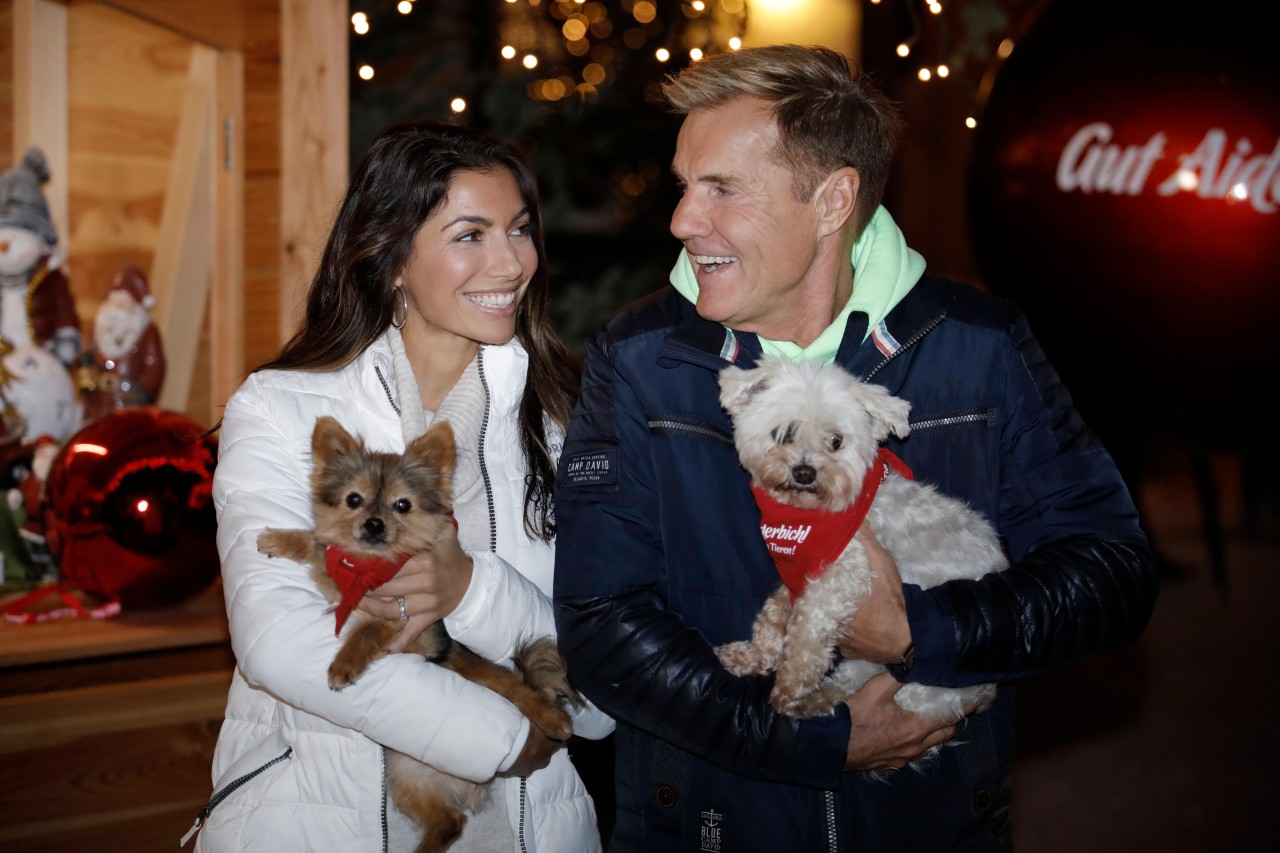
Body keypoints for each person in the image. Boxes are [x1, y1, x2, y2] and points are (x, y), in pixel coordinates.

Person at [552, 44, 1159, 851]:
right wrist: (809, 741)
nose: (682, 220)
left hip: (928, 824)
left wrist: (921, 633)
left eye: (722, 189)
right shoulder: (638, 358)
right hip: (709, 826)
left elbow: (1110, 574)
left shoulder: (979, 348)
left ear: (833, 198)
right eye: (684, 186)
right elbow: (600, 624)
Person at [193, 120, 613, 853]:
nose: (511, 262)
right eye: (469, 235)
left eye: (518, 230)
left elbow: (604, 693)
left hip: (532, 830)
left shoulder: (565, 424)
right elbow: (279, 640)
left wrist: (469, 591)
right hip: (312, 824)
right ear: (391, 259)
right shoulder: (280, 408)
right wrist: (504, 736)